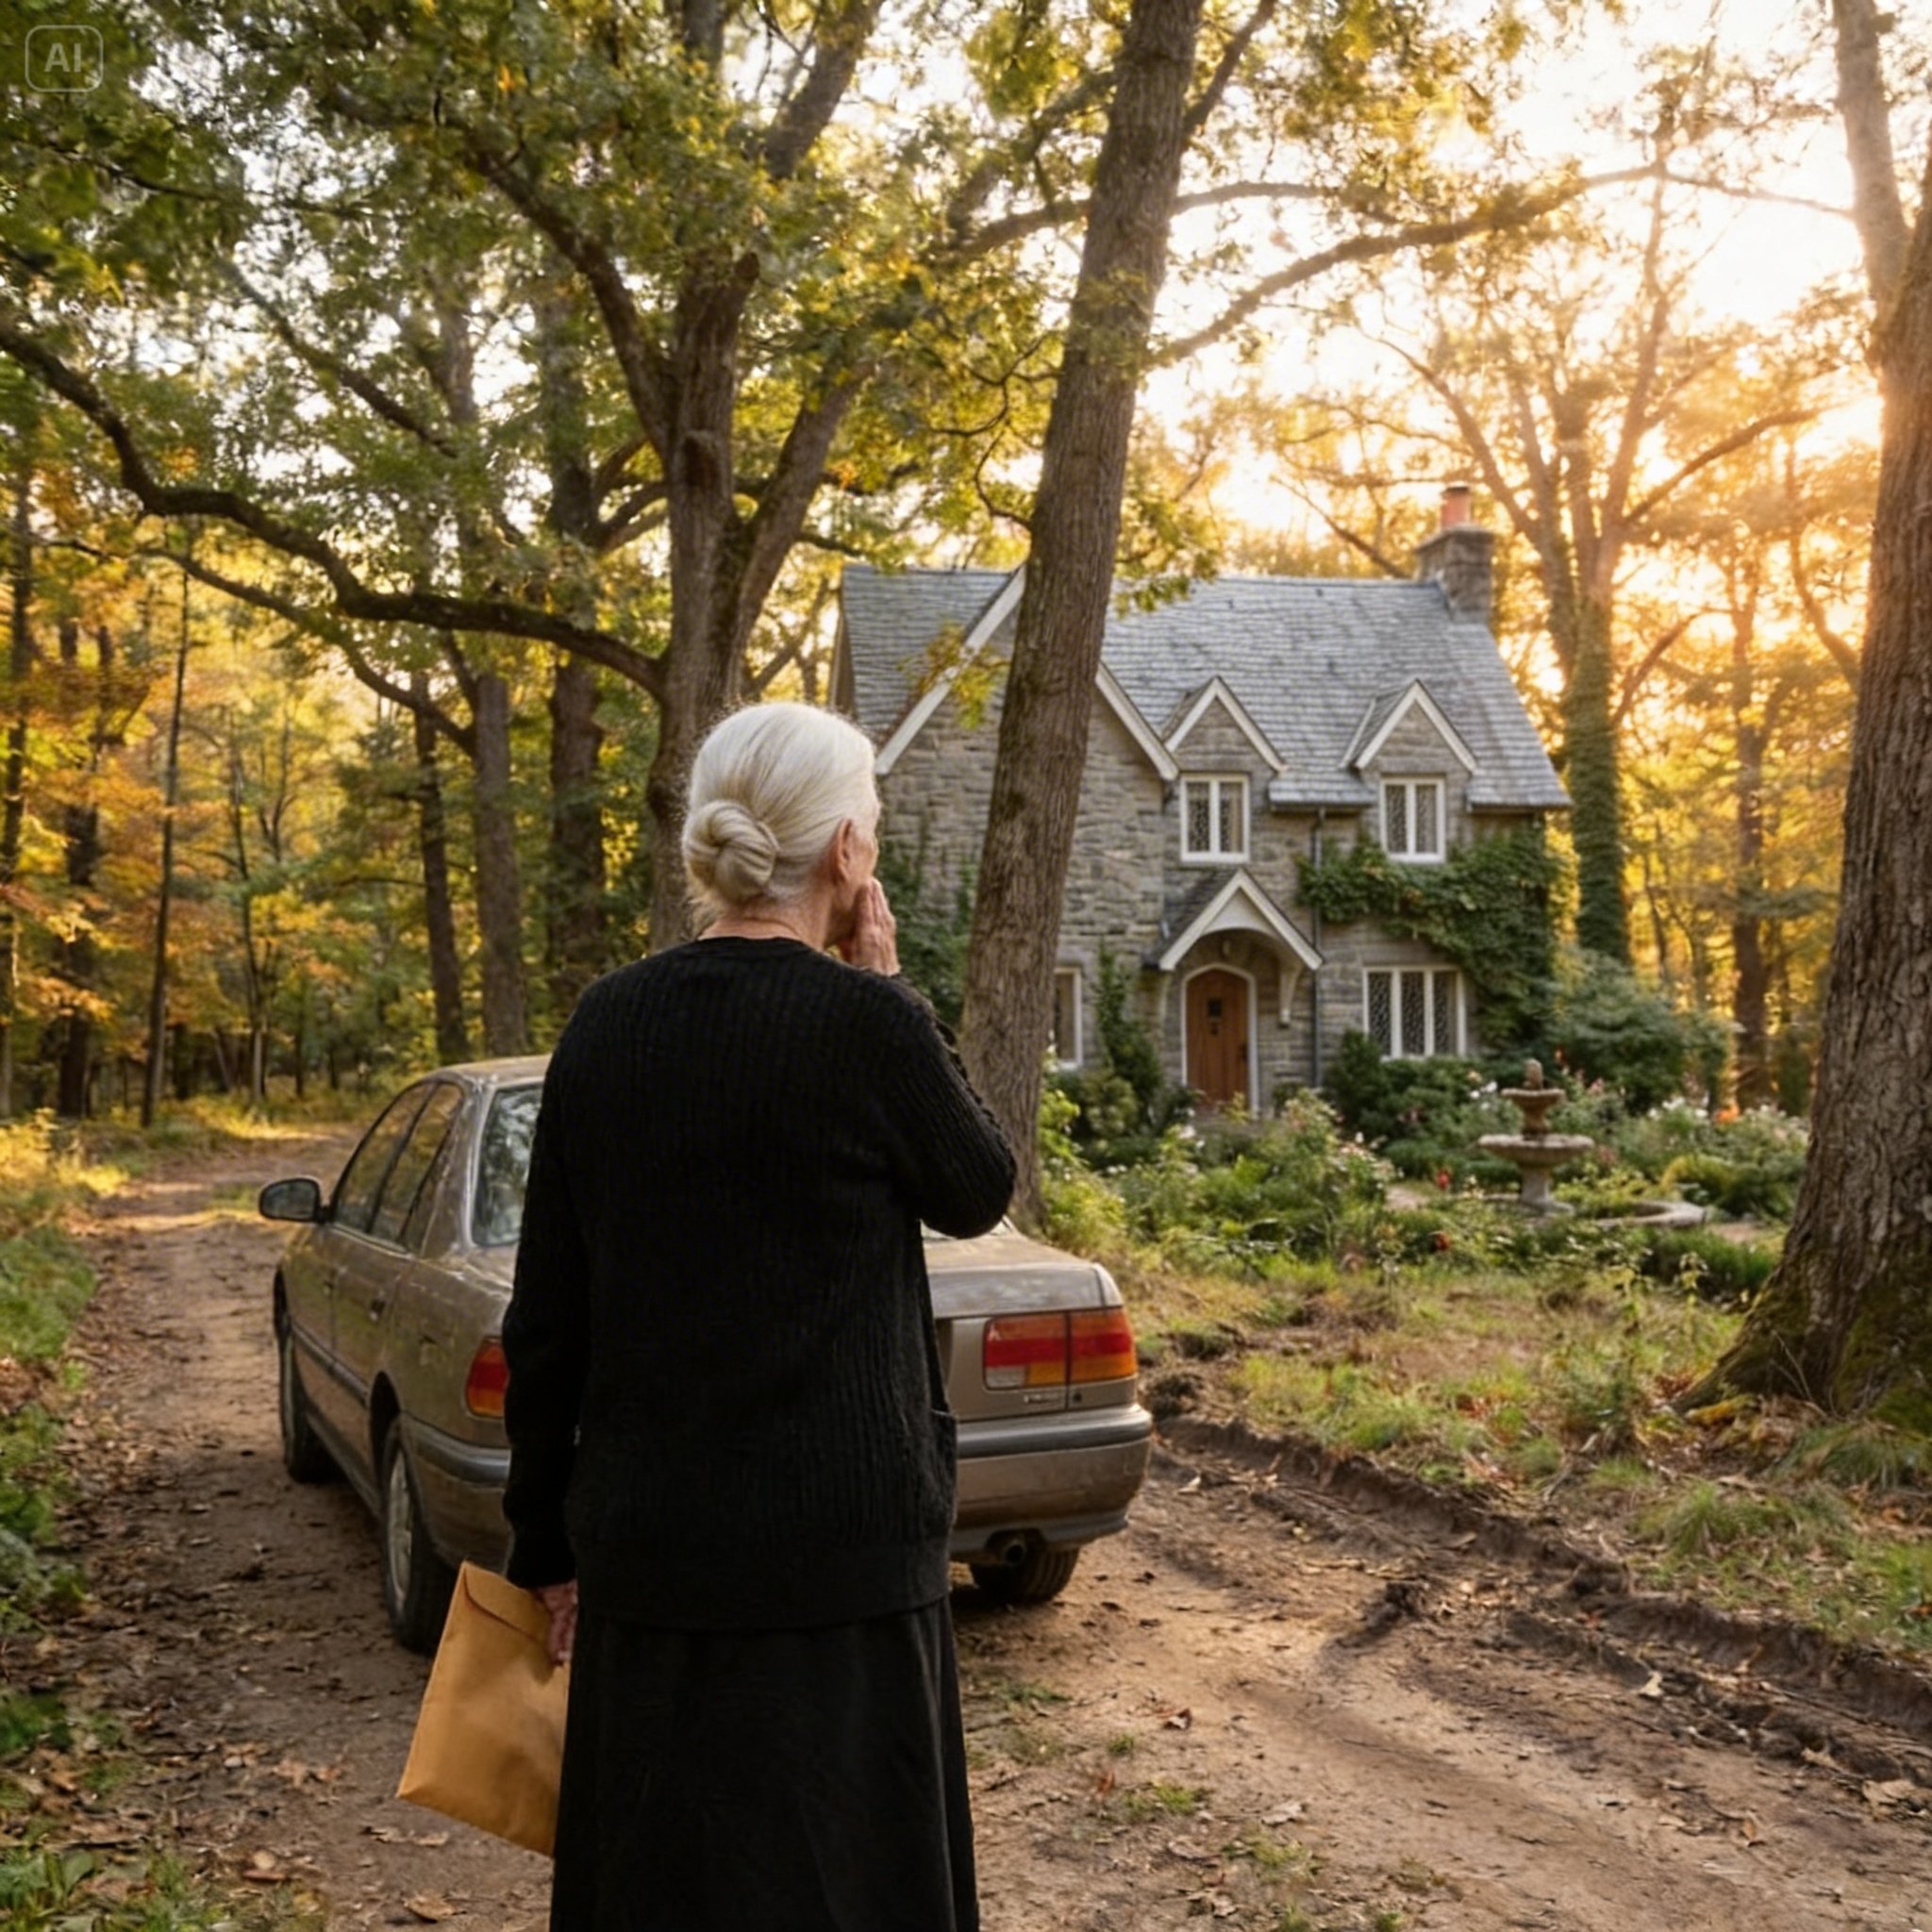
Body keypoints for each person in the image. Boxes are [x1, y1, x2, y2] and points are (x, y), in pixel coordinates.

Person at [500, 700, 1016, 1932]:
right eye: (875, 828)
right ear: (847, 853)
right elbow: (977, 1186)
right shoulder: (869, 1026)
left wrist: (546, 1549)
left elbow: (546, 1319)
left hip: (653, 1566)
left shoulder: (606, 1025)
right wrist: (892, 997)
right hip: (847, 1573)